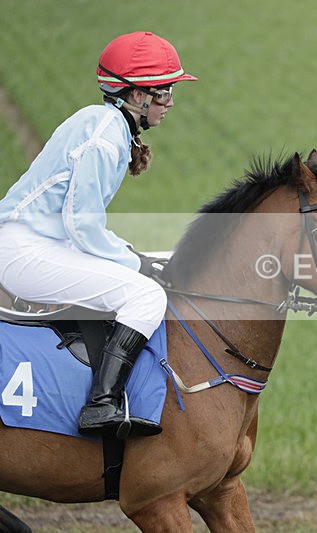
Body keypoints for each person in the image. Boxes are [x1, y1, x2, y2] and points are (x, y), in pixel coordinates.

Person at [0, 32, 197, 438]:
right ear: (136, 96)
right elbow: (83, 225)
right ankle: (100, 405)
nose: (170, 102)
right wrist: (137, 263)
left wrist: (129, 254)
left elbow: (81, 227)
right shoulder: (106, 136)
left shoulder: (106, 125)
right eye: (164, 92)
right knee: (146, 295)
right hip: (23, 250)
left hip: (34, 244)